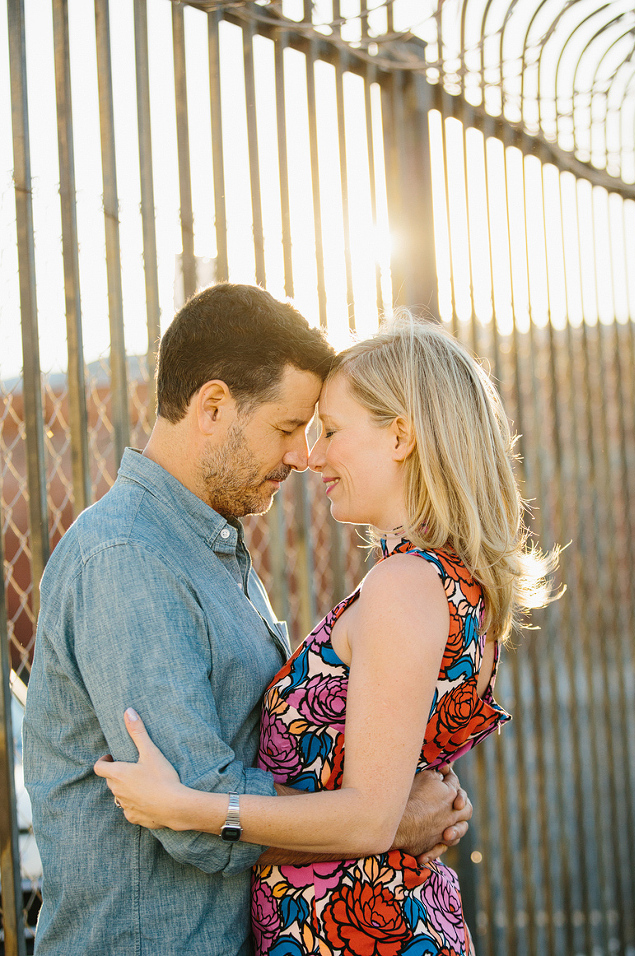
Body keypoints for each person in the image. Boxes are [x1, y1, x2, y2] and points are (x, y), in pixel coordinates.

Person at [25, 285, 471, 956]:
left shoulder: (209, 547)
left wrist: (374, 802)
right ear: (212, 407)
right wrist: (381, 818)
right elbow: (191, 812)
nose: (302, 455)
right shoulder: (128, 558)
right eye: (287, 428)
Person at [97, 310, 555, 956]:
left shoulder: (404, 586)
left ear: (399, 436)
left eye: (332, 430)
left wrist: (189, 808)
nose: (313, 456)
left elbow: (369, 816)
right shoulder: (446, 582)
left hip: (363, 934)